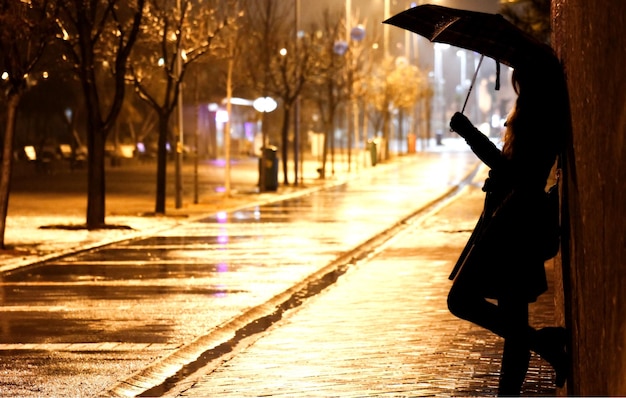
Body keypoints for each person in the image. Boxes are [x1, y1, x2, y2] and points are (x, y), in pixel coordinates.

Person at [446, 59, 570, 396]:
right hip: (517, 220)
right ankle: (542, 350)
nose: (516, 80)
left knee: (461, 299)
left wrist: (468, 132)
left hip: (514, 223)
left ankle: (545, 344)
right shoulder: (536, 113)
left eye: (521, 75)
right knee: (513, 320)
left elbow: (515, 171)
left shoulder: (537, 115)